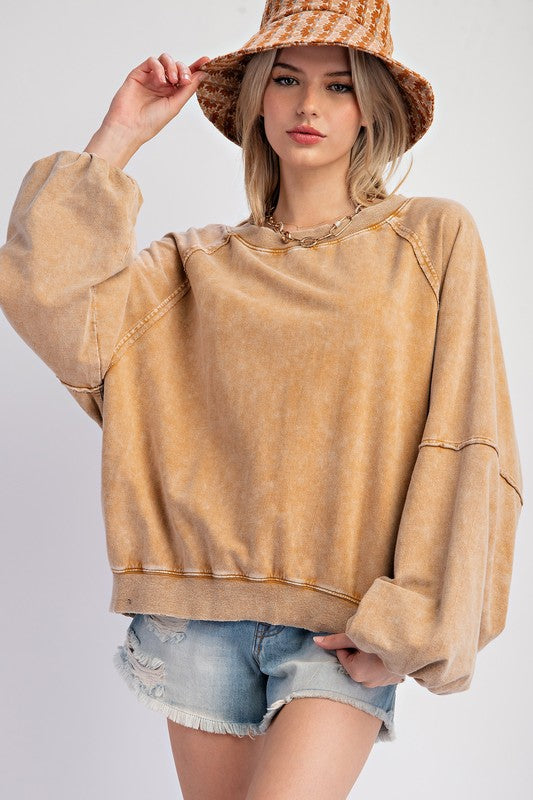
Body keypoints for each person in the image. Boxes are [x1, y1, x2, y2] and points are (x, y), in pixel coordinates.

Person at [0, 1, 524, 799]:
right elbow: (48, 296)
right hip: (195, 611)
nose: (308, 105)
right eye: (285, 80)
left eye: (338, 86)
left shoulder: (430, 238)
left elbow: (469, 435)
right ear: (257, 101)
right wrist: (120, 134)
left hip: (345, 620)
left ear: (369, 109)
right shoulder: (192, 266)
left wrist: (412, 624)